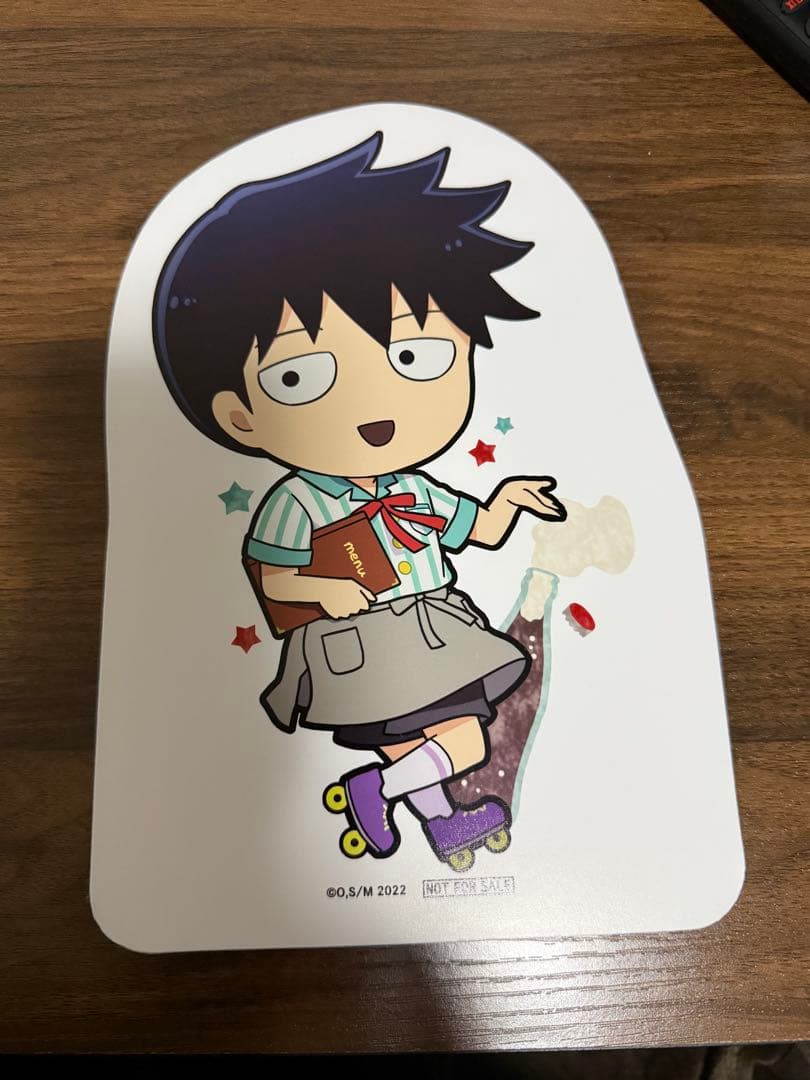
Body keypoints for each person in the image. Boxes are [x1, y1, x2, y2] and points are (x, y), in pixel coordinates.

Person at [152, 133, 566, 867]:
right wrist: (325, 589)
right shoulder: (296, 500)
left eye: (416, 356)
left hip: (431, 626)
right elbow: (272, 577)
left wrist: (508, 500)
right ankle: (375, 792)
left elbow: (476, 529)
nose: (375, 408)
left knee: (418, 740)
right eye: (298, 378)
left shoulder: (414, 487)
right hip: (358, 639)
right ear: (240, 415)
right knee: (462, 739)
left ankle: (432, 820)